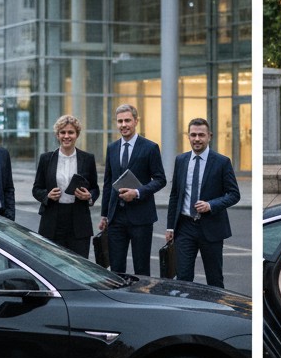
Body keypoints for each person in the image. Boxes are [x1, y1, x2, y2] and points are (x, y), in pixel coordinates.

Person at [164, 118, 240, 288]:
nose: (197, 139)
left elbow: (234, 194)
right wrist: (170, 227)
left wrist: (211, 205)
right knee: (183, 278)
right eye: (193, 135)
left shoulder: (222, 162)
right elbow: (175, 195)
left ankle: (217, 312)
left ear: (209, 136)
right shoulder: (181, 160)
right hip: (185, 227)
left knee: (214, 279)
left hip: (211, 227)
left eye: (201, 135)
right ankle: (185, 312)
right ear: (188, 137)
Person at [97, 103, 166, 275]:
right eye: (120, 121)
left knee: (141, 268)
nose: (123, 125)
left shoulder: (150, 147)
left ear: (136, 121)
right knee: (116, 268)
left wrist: (137, 193)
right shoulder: (112, 148)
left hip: (141, 218)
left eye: (127, 120)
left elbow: (160, 179)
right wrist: (104, 214)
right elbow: (108, 182)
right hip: (116, 218)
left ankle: (142, 300)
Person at [31, 114, 99, 257]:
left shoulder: (87, 159)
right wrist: (47, 196)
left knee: (79, 265)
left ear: (77, 135)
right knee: (52, 263)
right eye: (62, 132)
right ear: (57, 135)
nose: (66, 136)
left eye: (70, 132)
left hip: (79, 220)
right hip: (52, 220)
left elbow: (95, 188)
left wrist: (89, 196)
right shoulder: (46, 159)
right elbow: (36, 189)